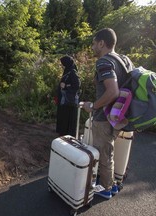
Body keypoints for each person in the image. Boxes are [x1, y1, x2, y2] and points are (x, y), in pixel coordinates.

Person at [82, 28, 134, 199]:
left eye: (94, 43)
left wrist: (93, 105)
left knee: (104, 154)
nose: (92, 47)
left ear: (102, 43)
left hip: (104, 118)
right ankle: (111, 184)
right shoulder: (124, 59)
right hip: (118, 115)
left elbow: (113, 92)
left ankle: (106, 189)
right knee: (108, 152)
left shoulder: (104, 61)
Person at [56, 55, 80, 137]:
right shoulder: (68, 70)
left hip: (68, 101)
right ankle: (63, 132)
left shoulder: (72, 72)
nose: (62, 65)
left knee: (67, 117)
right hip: (64, 100)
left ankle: (67, 134)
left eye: (63, 63)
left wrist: (66, 86)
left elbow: (77, 85)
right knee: (64, 116)